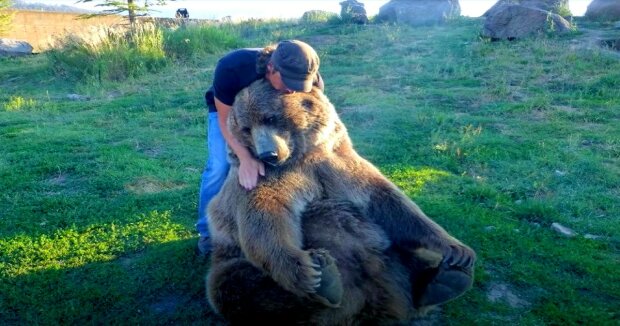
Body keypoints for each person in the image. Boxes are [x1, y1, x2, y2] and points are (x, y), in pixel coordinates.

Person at [197, 40, 324, 256]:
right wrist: (245, 158)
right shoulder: (232, 68)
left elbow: (311, 113)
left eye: (299, 85)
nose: (293, 90)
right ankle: (206, 231)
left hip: (274, 114)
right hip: (232, 115)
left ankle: (299, 216)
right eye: (288, 83)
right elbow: (225, 119)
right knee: (219, 166)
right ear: (271, 68)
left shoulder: (308, 78)